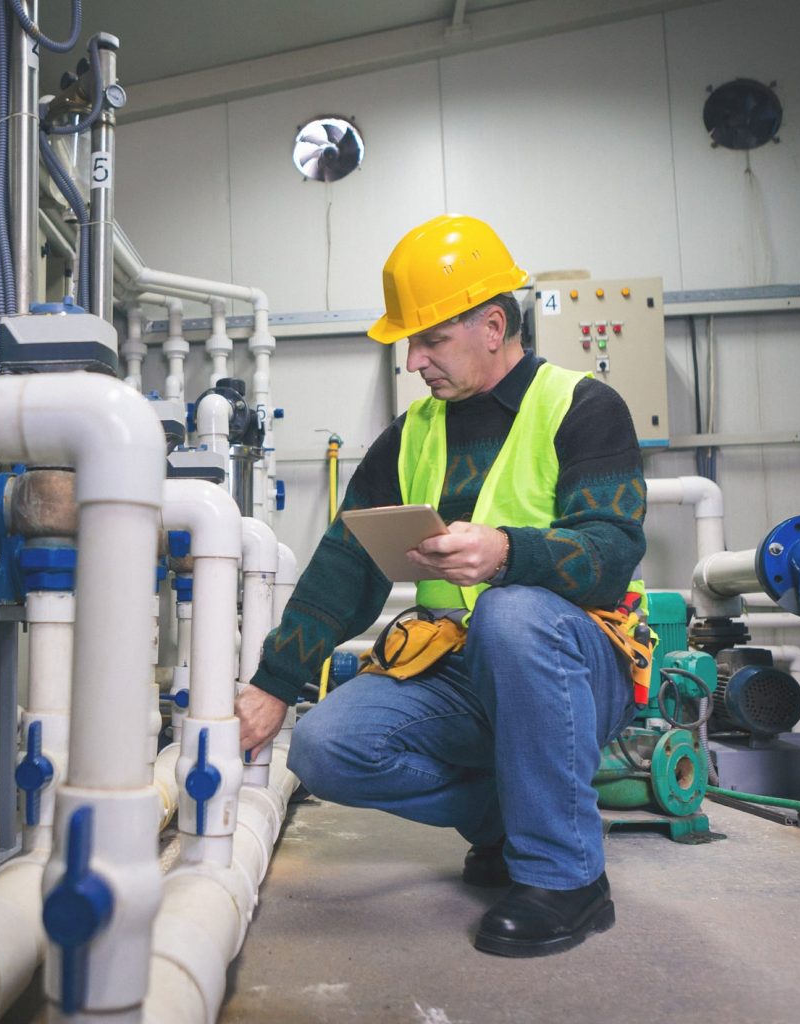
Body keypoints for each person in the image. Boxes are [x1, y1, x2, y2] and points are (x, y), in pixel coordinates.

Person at [235, 214, 647, 957]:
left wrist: (504, 554)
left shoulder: (582, 408)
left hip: (576, 668)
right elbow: (344, 564)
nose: (415, 361)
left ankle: (568, 878)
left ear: (494, 325)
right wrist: (275, 681)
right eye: (409, 344)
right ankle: (512, 818)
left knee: (514, 614)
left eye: (429, 340)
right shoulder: (411, 435)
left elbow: (612, 554)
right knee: (327, 747)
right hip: (455, 671)